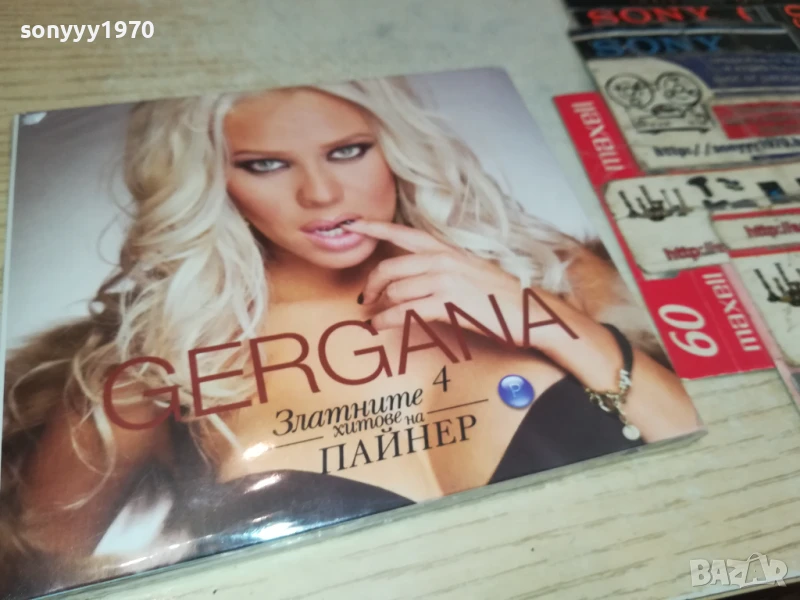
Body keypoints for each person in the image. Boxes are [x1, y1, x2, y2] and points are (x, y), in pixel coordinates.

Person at [0, 74, 701, 595]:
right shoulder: (159, 365)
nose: (321, 194)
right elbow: (30, 569)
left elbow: (693, 440)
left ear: (395, 147)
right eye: (266, 164)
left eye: (348, 151)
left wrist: (530, 311)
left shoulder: (547, 270)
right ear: (212, 178)